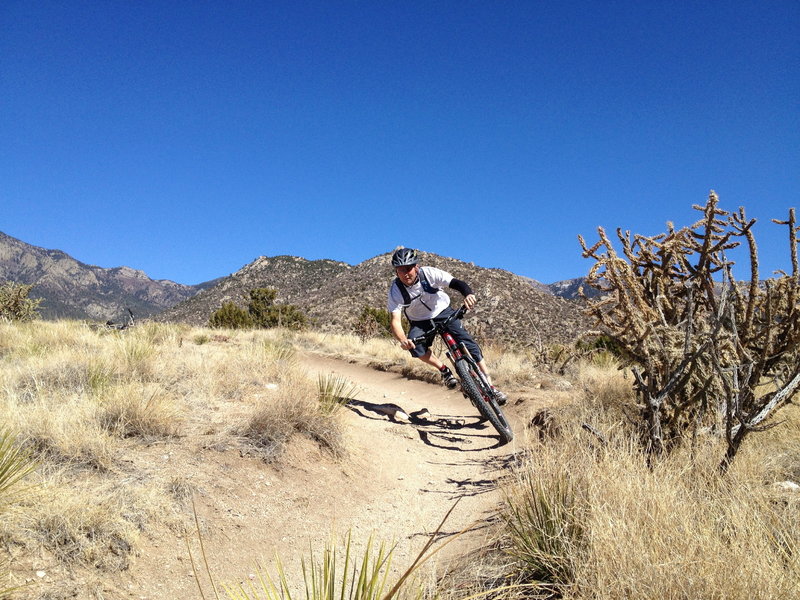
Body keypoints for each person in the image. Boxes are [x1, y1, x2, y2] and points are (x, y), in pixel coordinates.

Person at [387, 247, 507, 405]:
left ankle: (491, 387)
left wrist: (468, 294)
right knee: (415, 347)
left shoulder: (429, 274)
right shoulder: (395, 291)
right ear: (396, 271)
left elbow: (456, 283)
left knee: (471, 347)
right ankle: (443, 370)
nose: (405, 273)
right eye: (401, 270)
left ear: (416, 267)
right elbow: (395, 321)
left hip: (443, 311)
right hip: (420, 321)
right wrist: (403, 340)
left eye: (408, 268)